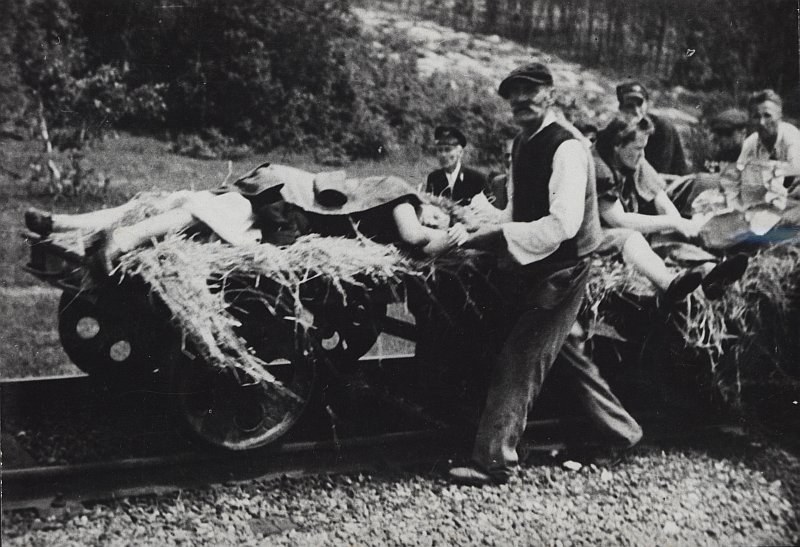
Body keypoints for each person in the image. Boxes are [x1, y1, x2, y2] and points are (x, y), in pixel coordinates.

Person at [447, 62, 642, 486]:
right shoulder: (521, 143)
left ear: (550, 95)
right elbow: (517, 211)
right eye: (514, 94)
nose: (521, 101)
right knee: (565, 358)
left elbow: (563, 226)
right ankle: (622, 432)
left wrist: (497, 235)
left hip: (564, 269)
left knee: (519, 359)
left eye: (530, 92)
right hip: (536, 263)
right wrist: (482, 224)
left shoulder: (568, 147)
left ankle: (494, 461)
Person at [25, 163, 469, 274]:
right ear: (432, 205)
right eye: (435, 215)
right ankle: (116, 241)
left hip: (273, 199)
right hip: (279, 203)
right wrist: (453, 234)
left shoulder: (379, 190)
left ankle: (63, 225)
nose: (427, 220)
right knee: (192, 210)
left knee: (177, 203)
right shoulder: (403, 196)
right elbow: (416, 239)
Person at [594, 117, 749, 301]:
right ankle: (668, 284)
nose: (642, 155)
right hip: (596, 237)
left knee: (667, 238)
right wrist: (674, 222)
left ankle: (708, 272)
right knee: (631, 237)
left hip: (623, 235)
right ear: (617, 146)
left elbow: (660, 198)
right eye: (638, 148)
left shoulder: (633, 159)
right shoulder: (599, 166)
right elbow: (618, 219)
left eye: (644, 148)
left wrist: (681, 227)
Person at [604, 81, 688, 176]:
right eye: (629, 106)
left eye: (639, 104)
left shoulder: (661, 128)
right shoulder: (618, 126)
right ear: (620, 108)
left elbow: (659, 173)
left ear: (647, 104)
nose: (636, 110)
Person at [737, 89, 800, 191]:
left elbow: (797, 168)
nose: (761, 122)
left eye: (767, 115)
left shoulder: (791, 135)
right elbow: (738, 170)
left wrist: (759, 168)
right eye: (756, 117)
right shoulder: (751, 141)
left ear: (780, 116)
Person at [425, 126, 490, 205]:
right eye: (440, 150)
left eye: (448, 149)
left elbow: (488, 212)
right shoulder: (434, 178)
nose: (443, 155)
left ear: (460, 152)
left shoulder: (477, 179)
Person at [488, 139, 513, 209]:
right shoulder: (497, 182)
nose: (509, 159)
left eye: (513, 155)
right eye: (507, 155)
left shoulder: (528, 184)